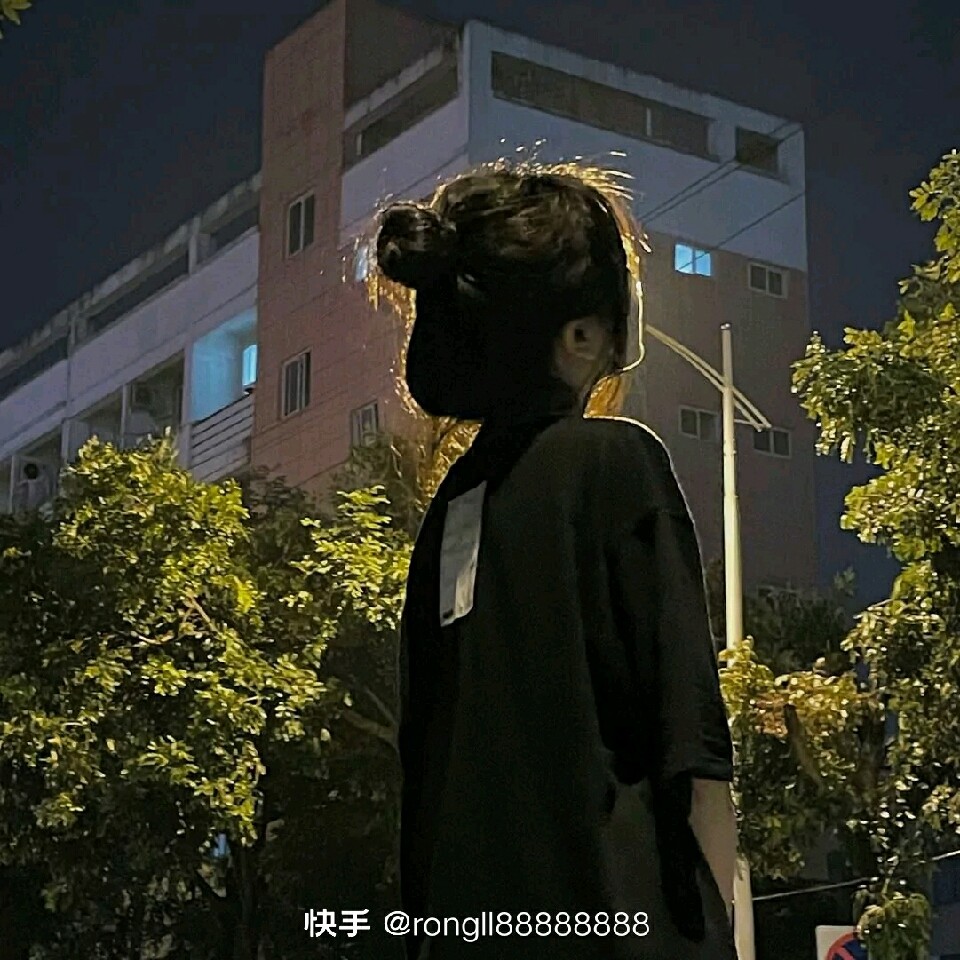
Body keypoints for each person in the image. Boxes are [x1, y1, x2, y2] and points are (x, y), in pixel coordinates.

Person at [374, 162, 738, 959]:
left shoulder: (450, 513)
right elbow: (692, 755)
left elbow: (424, 774)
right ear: (580, 335)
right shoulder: (615, 464)